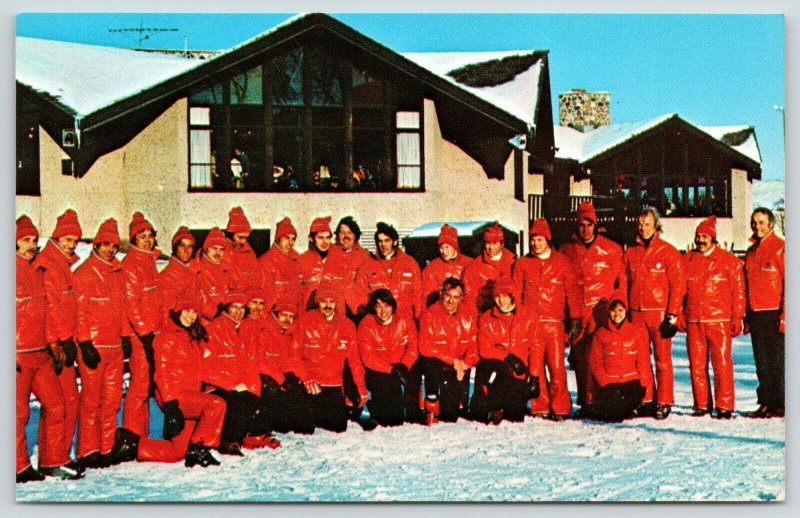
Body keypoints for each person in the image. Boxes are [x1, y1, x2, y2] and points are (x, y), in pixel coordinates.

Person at [110, 289, 226, 468]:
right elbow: (161, 375)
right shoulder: (167, 337)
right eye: (186, 311)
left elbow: (204, 368)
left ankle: (131, 443)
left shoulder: (193, 336)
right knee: (216, 404)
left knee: (177, 452)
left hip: (191, 396)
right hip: (176, 397)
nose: (190, 316)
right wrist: (171, 405)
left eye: (194, 312)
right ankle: (199, 449)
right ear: (177, 311)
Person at [16, 215, 82, 482]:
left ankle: (52, 460)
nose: (31, 245)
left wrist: (54, 345)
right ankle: (17, 465)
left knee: (57, 405)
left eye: (33, 240)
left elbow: (48, 312)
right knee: (18, 412)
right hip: (18, 354)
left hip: (41, 352)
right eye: (25, 241)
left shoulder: (38, 269)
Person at [513, 218, 582, 421]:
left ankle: (560, 406)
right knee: (535, 368)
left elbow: (572, 293)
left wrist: (575, 318)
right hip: (531, 324)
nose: (535, 243)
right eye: (533, 239)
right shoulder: (522, 264)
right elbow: (516, 293)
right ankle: (540, 405)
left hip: (554, 323)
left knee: (557, 367)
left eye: (539, 239)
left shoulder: (562, 263)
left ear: (547, 239)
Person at [559, 202, 626, 408]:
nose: (585, 229)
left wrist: (620, 310)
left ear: (596, 225)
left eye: (589, 224)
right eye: (581, 225)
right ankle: (584, 398)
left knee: (602, 357)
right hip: (577, 313)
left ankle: (603, 396)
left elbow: (621, 283)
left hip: (601, 313)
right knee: (579, 359)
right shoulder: (566, 250)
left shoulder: (612, 249)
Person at [73, 218, 128, 469]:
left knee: (112, 399)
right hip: (94, 346)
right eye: (105, 244)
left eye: (114, 245)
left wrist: (125, 335)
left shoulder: (117, 273)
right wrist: (84, 342)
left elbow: (123, 307)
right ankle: (87, 450)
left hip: (114, 346)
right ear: (96, 244)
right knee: (91, 400)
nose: (109, 249)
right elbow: (79, 311)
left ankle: (106, 447)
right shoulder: (84, 273)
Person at [623, 207, 686, 420]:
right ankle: (647, 399)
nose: (643, 228)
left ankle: (664, 400)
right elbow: (624, 283)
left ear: (656, 226)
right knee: (641, 359)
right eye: (640, 225)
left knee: (662, 359)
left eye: (647, 224)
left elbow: (678, 285)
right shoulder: (630, 253)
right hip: (636, 312)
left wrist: (672, 315)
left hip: (659, 313)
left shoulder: (668, 252)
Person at [680, 216, 745, 419]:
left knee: (722, 364)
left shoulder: (729, 262)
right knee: (696, 364)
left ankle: (724, 404)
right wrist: (680, 314)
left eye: (705, 236)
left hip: (719, 321)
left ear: (713, 238)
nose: (700, 240)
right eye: (698, 236)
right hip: (694, 320)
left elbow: (738, 292)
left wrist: (737, 317)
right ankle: (701, 404)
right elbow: (680, 291)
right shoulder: (686, 261)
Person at [291, 282, 369, 433]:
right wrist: (305, 377)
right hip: (309, 384)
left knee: (338, 427)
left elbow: (355, 361)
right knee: (304, 429)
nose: (328, 305)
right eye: (323, 301)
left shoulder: (347, 325)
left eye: (331, 301)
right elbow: (293, 356)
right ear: (317, 302)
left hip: (333, 385)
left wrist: (361, 386)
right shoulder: (304, 322)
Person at [203, 292, 270, 455]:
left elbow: (251, 364)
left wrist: (252, 388)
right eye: (234, 307)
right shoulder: (213, 328)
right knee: (239, 400)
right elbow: (205, 368)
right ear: (226, 308)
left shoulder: (246, 328)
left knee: (260, 397)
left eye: (242, 308)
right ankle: (229, 441)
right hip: (217, 384)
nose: (238, 312)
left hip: (240, 384)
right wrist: (231, 385)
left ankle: (248, 434)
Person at [470, 279, 540, 425]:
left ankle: (501, 405)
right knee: (480, 413)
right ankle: (485, 403)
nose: (500, 300)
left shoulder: (529, 316)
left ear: (512, 296)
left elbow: (536, 347)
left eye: (504, 296)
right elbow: (484, 348)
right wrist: (507, 356)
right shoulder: (486, 318)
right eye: (496, 297)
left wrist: (534, 377)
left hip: (519, 368)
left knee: (515, 417)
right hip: (497, 363)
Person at [121, 211, 163, 439]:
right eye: (142, 236)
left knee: (145, 385)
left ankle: (141, 433)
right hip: (142, 336)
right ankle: (132, 434)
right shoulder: (133, 264)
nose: (147, 240)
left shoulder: (149, 261)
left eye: (150, 235)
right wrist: (145, 333)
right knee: (139, 386)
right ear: (134, 239)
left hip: (153, 333)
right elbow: (132, 303)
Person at [417, 278, 479, 424]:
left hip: (458, 366)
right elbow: (424, 346)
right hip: (439, 363)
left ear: (461, 298)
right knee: (429, 362)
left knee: (450, 416)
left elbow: (474, 345)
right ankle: (431, 403)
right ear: (441, 293)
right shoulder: (429, 315)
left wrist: (465, 364)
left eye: (456, 297)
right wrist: (453, 361)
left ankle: (458, 401)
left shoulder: (469, 315)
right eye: (448, 295)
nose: (451, 301)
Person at [583, 293, 650, 422]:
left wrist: (644, 385)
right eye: (613, 310)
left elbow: (643, 361)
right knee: (614, 415)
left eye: (620, 310)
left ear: (626, 311)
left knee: (624, 412)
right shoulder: (600, 334)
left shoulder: (636, 332)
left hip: (631, 383)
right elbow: (595, 362)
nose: (617, 314)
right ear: (609, 312)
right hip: (610, 383)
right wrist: (605, 383)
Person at [744, 207, 785, 418]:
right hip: (756, 313)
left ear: (771, 224)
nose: (757, 227)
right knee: (761, 361)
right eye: (754, 222)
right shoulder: (751, 253)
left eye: (761, 222)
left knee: (778, 360)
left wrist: (786, 316)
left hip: (775, 313)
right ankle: (766, 402)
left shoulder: (781, 248)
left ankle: (782, 403)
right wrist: (746, 315)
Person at [357, 289, 419, 427]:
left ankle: (413, 412)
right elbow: (368, 358)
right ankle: (375, 407)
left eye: (387, 306)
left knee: (415, 375)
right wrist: (391, 369)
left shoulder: (405, 320)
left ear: (393, 306)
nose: (383, 311)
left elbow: (413, 348)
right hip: (379, 369)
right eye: (378, 306)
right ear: (373, 307)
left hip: (401, 365)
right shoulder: (366, 324)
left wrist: (404, 365)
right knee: (390, 420)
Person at [256, 296, 311, 435]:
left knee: (294, 385)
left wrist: (304, 377)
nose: (287, 319)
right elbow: (258, 361)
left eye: (291, 316)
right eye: (284, 315)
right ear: (276, 314)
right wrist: (279, 378)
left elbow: (291, 360)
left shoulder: (288, 333)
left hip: (279, 374)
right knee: (272, 388)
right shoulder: (264, 331)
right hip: (264, 376)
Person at [354, 222, 422, 321]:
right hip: (379, 323)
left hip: (404, 322)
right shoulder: (367, 266)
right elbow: (360, 297)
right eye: (380, 241)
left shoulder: (410, 263)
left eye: (387, 240)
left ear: (394, 241)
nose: (383, 245)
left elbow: (417, 295)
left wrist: (418, 318)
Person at [462, 222, 516, 313]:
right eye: (488, 243)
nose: (491, 247)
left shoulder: (513, 263)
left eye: (495, 243)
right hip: (485, 315)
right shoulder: (474, 266)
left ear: (502, 243)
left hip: (509, 314)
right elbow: (469, 297)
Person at [297, 216, 346, 312]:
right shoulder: (302, 261)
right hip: (310, 316)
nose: (325, 242)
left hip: (336, 317)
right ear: (311, 238)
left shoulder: (340, 259)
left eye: (328, 237)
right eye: (320, 238)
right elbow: (297, 296)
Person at [420, 223, 472, 308]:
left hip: (464, 313)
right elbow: (426, 297)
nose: (444, 251)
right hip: (441, 313)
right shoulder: (432, 268)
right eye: (441, 248)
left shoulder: (469, 264)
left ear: (454, 246)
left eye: (447, 247)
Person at [330, 216, 371, 317]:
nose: (346, 236)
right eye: (342, 232)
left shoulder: (365, 256)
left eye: (350, 232)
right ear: (337, 235)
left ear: (355, 235)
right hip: (334, 312)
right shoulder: (330, 255)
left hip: (358, 311)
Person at [260, 217, 302, 314]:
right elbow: (262, 297)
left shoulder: (298, 260)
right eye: (287, 238)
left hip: (293, 315)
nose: (290, 243)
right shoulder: (266, 262)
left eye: (293, 239)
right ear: (278, 238)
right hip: (274, 315)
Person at [160, 226, 199, 325]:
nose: (186, 250)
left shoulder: (194, 270)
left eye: (190, 246)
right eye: (182, 245)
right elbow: (166, 311)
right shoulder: (168, 276)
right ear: (175, 248)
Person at [196, 227, 232, 323]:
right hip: (207, 324)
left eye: (221, 249)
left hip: (224, 321)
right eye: (214, 248)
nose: (218, 252)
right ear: (206, 249)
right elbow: (202, 304)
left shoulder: (226, 270)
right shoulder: (198, 271)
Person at [224, 207, 261, 291]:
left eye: (246, 238)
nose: (244, 242)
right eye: (240, 237)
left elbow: (256, 278)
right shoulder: (218, 250)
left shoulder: (249, 253)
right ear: (230, 234)